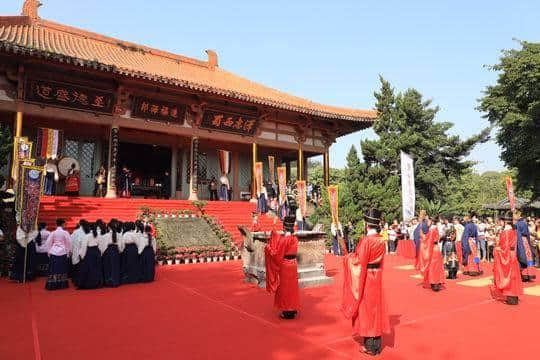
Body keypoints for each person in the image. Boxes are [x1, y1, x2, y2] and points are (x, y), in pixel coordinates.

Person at [342, 208, 390, 356]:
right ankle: (376, 345)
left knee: (367, 311)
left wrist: (347, 258)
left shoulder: (366, 241)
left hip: (367, 279)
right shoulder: (381, 240)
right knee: (376, 309)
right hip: (377, 277)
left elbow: (359, 261)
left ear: (366, 224)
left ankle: (370, 346)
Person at [264, 215, 299, 320]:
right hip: (293, 265)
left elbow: (276, 254)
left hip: (285, 266)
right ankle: (293, 309)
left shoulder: (284, 240)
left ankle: (287, 310)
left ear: (284, 227)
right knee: (293, 289)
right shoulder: (294, 238)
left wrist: (268, 248)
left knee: (285, 289)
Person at [491, 213, 523, 305]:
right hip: (513, 255)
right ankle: (514, 298)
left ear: (505, 221)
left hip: (507, 255)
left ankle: (511, 298)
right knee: (513, 277)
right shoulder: (514, 230)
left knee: (508, 276)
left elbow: (504, 247)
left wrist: (497, 249)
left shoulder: (506, 232)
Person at [418, 218, 445, 291]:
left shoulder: (432, 229)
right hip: (437, 249)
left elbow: (428, 240)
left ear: (432, 221)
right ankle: (438, 281)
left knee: (433, 267)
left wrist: (422, 235)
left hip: (433, 249)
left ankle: (434, 282)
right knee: (437, 266)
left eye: (428, 221)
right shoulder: (435, 228)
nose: (427, 222)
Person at [44, 219, 71, 290]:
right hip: (63, 252)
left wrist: (49, 252)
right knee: (62, 269)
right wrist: (68, 252)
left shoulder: (53, 233)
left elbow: (48, 243)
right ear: (62, 224)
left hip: (54, 252)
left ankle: (52, 284)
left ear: (56, 224)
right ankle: (62, 284)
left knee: (54, 269)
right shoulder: (65, 232)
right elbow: (69, 243)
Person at [78, 222, 103, 289]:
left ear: (89, 228)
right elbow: (100, 245)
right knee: (96, 268)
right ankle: (97, 283)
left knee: (89, 268)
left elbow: (84, 247)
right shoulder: (98, 235)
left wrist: (82, 255)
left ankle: (90, 283)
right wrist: (100, 253)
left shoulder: (87, 236)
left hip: (89, 252)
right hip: (96, 251)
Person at [99, 220, 123, 287]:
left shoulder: (106, 235)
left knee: (108, 266)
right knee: (116, 266)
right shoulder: (118, 235)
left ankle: (109, 281)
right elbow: (120, 245)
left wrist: (102, 253)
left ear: (109, 227)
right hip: (116, 250)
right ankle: (116, 281)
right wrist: (119, 250)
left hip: (108, 251)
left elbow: (103, 245)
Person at [515, 213, 535, 282]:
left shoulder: (517, 224)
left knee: (522, 256)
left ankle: (524, 275)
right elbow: (527, 234)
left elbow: (516, 233)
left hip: (520, 241)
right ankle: (529, 274)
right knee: (528, 256)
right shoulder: (524, 223)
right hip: (526, 241)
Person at [70, 220, 88, 286]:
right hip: (82, 251)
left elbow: (71, 242)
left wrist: (71, 250)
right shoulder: (85, 232)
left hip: (76, 251)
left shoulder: (75, 232)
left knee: (77, 267)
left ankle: (76, 280)